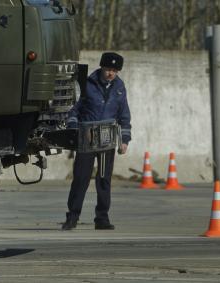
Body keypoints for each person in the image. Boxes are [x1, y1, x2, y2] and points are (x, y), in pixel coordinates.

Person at [62, 52, 131, 230]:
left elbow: (124, 116)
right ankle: (72, 217)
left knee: (103, 179)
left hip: (107, 138)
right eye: (108, 69)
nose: (111, 73)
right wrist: (73, 128)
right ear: (101, 67)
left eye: (115, 70)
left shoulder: (120, 88)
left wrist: (124, 140)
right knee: (81, 178)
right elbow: (73, 110)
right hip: (87, 136)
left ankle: (102, 218)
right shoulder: (86, 84)